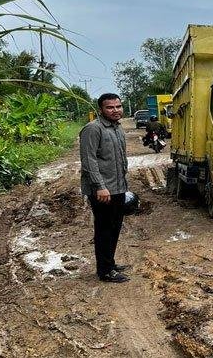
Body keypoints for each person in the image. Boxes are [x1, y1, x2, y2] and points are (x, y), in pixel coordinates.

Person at [79, 93, 130, 283]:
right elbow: (89, 160)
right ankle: (105, 271)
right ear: (100, 110)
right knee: (104, 229)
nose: (115, 110)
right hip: (102, 190)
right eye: (110, 107)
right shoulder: (93, 129)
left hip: (118, 187)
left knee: (115, 227)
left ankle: (110, 263)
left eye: (118, 106)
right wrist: (100, 186)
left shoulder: (117, 128)